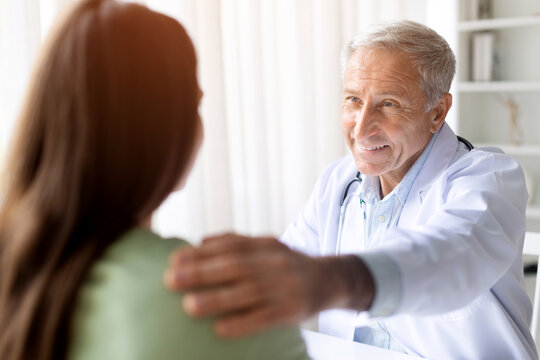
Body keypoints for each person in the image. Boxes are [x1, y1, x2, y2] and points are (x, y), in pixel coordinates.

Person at [165, 21, 538, 359]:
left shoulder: (488, 178)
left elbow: (451, 254)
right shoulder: (338, 182)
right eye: (353, 100)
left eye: (388, 104)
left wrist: (338, 281)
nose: (360, 130)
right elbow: (291, 262)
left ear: (437, 112)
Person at [0, 1, 309, 360]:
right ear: (165, 130)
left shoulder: (17, 267)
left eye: (389, 103)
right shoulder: (225, 304)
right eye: (195, 104)